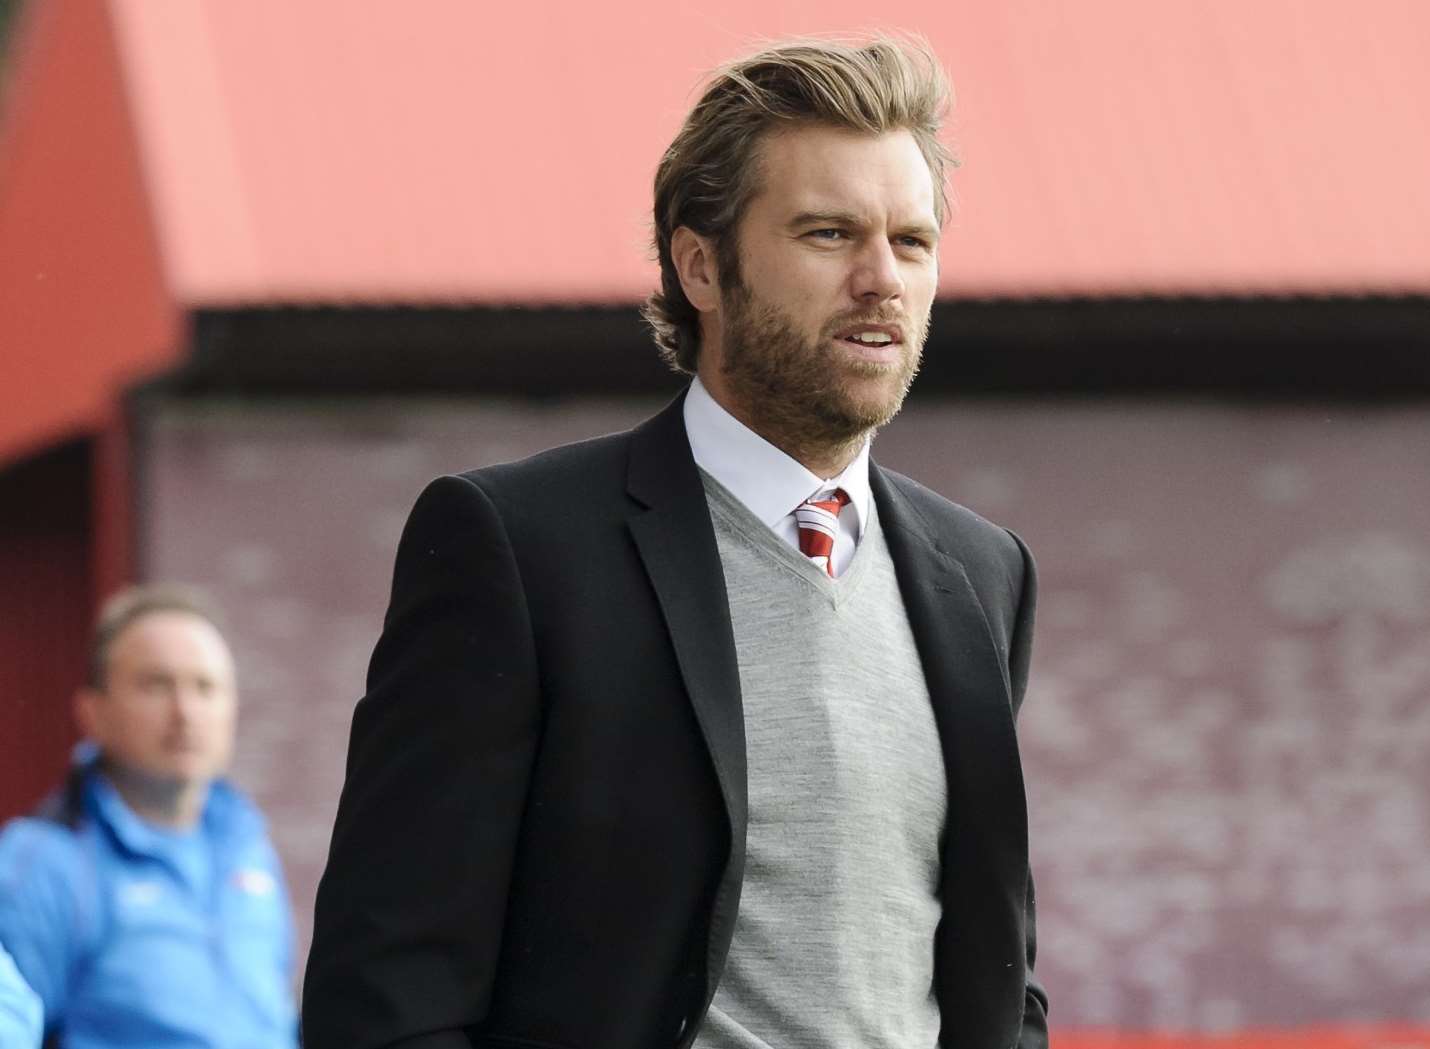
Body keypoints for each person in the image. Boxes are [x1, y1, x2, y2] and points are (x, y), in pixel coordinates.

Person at [303, 36, 1047, 1049]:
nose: (881, 279)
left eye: (910, 242)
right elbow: (387, 994)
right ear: (700, 263)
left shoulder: (982, 573)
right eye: (828, 233)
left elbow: (998, 974)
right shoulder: (516, 549)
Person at [0, 585, 298, 1048]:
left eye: (205, 687)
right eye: (157, 685)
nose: (185, 712)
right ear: (92, 711)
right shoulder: (43, 863)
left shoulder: (248, 847)